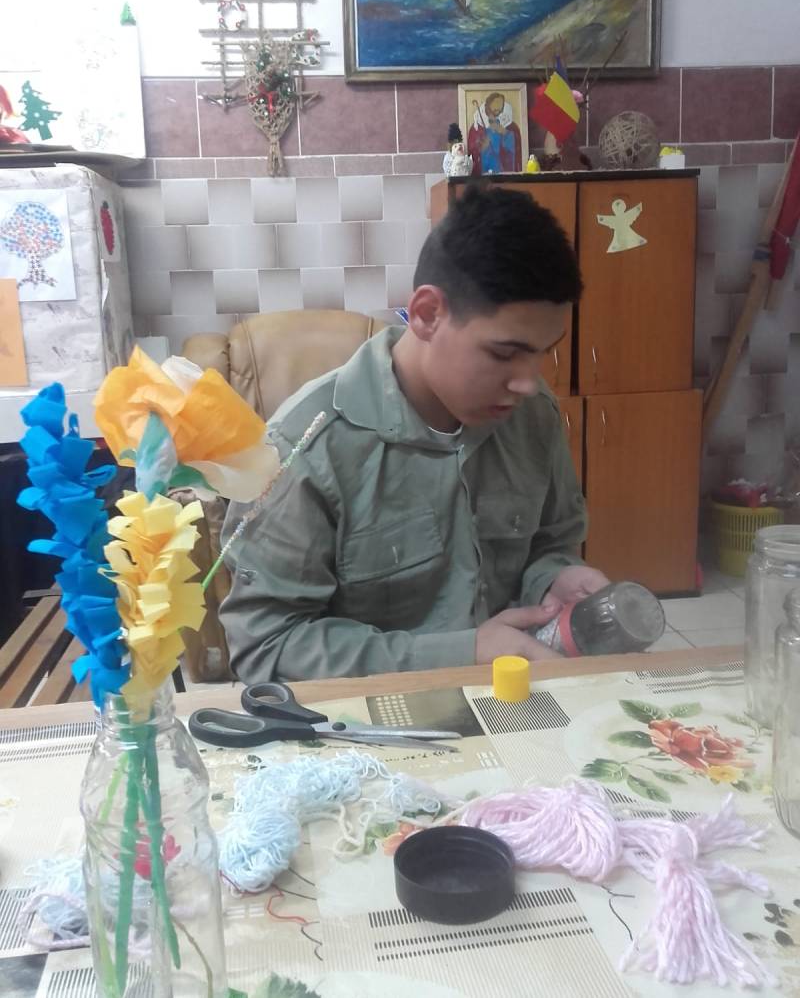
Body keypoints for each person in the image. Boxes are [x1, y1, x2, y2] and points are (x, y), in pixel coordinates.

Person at [220, 186, 609, 682]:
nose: (527, 382)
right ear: (426, 314)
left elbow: (550, 543)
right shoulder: (305, 448)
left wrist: (556, 578)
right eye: (503, 353)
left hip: (515, 697)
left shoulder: (533, 415)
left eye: (542, 352)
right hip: (370, 720)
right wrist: (462, 653)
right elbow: (266, 647)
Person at [467, 92, 522, 175]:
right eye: (495, 105)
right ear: (488, 106)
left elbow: (515, 149)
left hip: (502, 172)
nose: (498, 108)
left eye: (500, 105)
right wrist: (482, 147)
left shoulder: (510, 126)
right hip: (484, 173)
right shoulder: (477, 127)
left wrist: (504, 132)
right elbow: (472, 151)